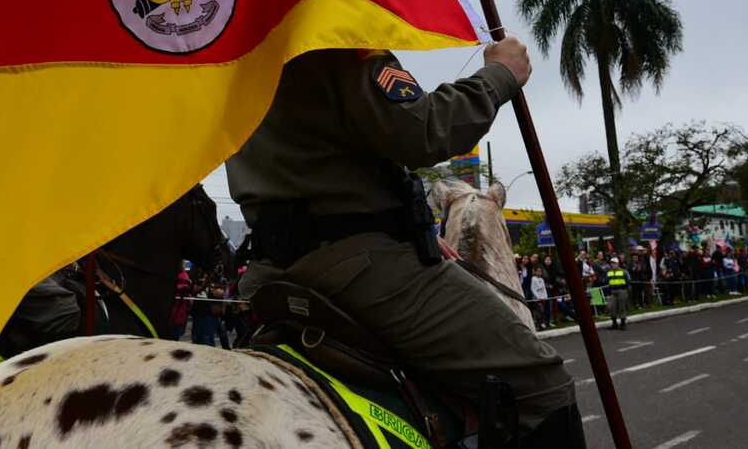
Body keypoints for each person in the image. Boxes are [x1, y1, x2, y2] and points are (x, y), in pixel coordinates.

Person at [227, 38, 584, 447]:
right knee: (544, 385)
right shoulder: (332, 34)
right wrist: (500, 74)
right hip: (361, 271)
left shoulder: (238, 48)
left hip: (272, 272)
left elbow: (322, 163)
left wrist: (410, 228)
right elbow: (422, 131)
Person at [606, 256, 630, 330]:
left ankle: (623, 324)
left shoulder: (624, 271)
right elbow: (607, 282)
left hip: (622, 290)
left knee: (622, 307)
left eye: (614, 263)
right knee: (611, 307)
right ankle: (614, 323)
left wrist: (626, 289)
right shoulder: (609, 272)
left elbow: (628, 280)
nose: (613, 264)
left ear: (618, 263)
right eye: (612, 263)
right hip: (612, 292)